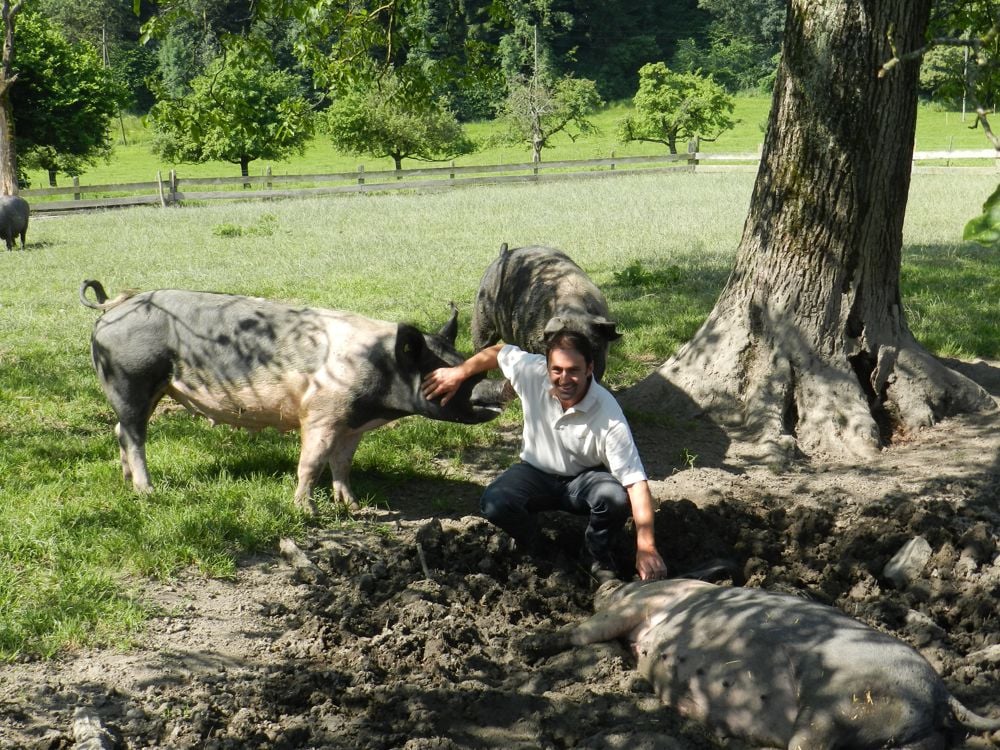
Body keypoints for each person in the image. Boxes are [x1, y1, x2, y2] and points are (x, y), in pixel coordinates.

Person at [421, 329, 668, 582]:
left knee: (614, 498)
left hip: (583, 480)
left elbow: (635, 482)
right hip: (534, 473)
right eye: (557, 370)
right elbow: (498, 352)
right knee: (494, 503)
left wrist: (646, 548)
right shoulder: (532, 372)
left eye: (573, 370)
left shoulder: (607, 413)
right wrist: (459, 372)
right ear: (547, 367)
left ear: (589, 368)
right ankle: (544, 551)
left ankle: (596, 553)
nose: (564, 378)